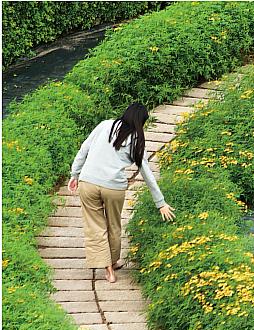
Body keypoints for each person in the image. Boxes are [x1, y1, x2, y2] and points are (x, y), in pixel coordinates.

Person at [68, 102, 175, 283]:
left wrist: (75, 174)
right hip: (113, 187)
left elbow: (84, 149)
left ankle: (108, 269)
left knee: (95, 226)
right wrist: (161, 203)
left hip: (88, 182)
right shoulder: (136, 139)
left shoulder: (104, 125)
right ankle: (113, 261)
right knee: (114, 225)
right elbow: (146, 171)